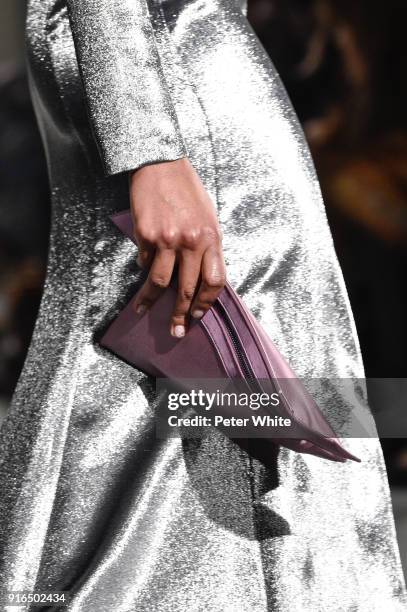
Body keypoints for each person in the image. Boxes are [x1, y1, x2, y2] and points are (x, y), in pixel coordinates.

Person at [0, 0, 405, 610]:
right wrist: (148, 147)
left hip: (158, 64)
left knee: (190, 381)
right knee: (189, 372)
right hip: (165, 65)